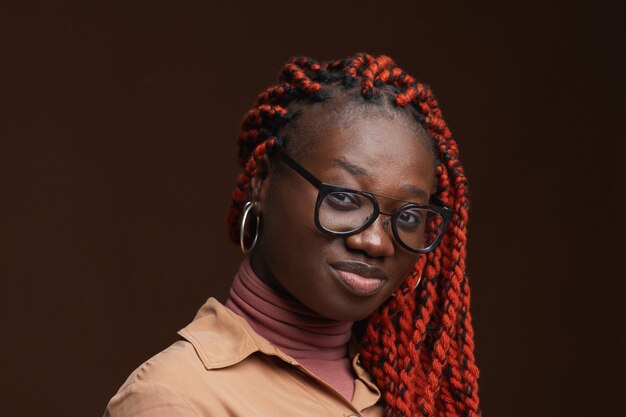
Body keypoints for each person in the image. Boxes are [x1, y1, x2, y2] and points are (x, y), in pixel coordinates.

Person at [103, 53, 481, 417]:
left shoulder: (412, 395)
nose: (376, 242)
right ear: (263, 182)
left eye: (410, 215)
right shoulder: (175, 399)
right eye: (345, 198)